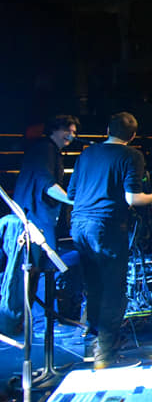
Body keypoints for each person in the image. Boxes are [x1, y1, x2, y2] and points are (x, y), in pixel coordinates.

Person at [68, 112, 152, 368]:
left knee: (93, 286)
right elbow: (132, 198)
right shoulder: (131, 155)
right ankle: (105, 355)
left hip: (79, 225)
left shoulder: (87, 153)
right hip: (106, 227)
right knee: (113, 290)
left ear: (107, 130)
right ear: (132, 136)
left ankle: (92, 345)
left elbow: (72, 194)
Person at [13, 115, 83, 320]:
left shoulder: (48, 150)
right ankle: (39, 320)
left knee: (40, 269)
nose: (72, 135)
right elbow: (47, 184)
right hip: (35, 218)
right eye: (68, 130)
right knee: (40, 268)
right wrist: (74, 202)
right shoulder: (45, 149)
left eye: (74, 132)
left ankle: (39, 318)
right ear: (55, 130)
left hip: (37, 216)